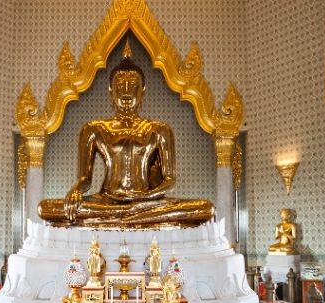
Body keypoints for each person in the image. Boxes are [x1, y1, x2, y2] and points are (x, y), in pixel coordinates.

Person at [38, 41, 214, 228]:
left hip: (146, 202)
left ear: (143, 90)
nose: (127, 91)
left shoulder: (159, 129)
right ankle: (129, 217)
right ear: (111, 90)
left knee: (205, 208)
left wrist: (145, 197)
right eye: (120, 85)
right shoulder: (94, 129)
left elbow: (169, 180)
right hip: (107, 201)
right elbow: (84, 179)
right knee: (46, 208)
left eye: (133, 85)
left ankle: (123, 217)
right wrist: (75, 192)